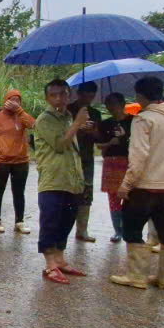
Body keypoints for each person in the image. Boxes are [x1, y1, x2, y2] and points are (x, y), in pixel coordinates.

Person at [108, 77, 164, 290]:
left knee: (132, 228)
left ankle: (136, 276)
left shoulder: (143, 119)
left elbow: (138, 157)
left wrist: (126, 185)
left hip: (144, 187)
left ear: (140, 96)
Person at [34, 79, 90, 284]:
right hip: (53, 179)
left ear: (69, 95)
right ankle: (50, 265)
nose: (58, 98)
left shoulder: (67, 117)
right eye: (53, 95)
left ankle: (60, 260)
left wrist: (77, 124)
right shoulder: (45, 119)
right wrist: (77, 124)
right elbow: (59, 145)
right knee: (51, 221)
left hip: (71, 179)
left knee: (67, 220)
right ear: (47, 98)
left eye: (63, 94)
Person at [0, 89, 36, 234]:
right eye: (12, 99)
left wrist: (19, 111)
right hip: (1, 161)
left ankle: (19, 221)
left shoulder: (22, 116)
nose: (14, 102)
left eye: (17, 100)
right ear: (5, 101)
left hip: (21, 160)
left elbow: (33, 125)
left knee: (19, 192)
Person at [67, 81, 103, 242]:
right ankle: (64, 229)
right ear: (79, 94)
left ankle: (82, 230)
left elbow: (99, 138)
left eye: (91, 96)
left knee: (86, 191)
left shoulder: (95, 113)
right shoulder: (68, 110)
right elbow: (63, 136)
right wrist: (78, 127)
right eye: (85, 95)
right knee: (67, 192)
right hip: (69, 157)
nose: (88, 99)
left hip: (87, 157)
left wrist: (93, 131)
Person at [97, 92, 133, 242]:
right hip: (111, 163)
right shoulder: (106, 124)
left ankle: (129, 228)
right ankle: (117, 230)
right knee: (113, 196)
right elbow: (99, 145)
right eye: (108, 104)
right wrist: (110, 144)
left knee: (130, 196)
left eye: (114, 104)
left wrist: (124, 140)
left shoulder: (133, 121)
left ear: (123, 104)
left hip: (129, 161)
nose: (111, 108)